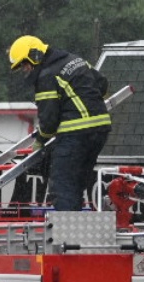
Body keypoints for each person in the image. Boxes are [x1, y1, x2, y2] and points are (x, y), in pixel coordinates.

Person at [9, 36, 114, 212]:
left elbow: (49, 121)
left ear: (35, 55)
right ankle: (75, 232)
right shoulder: (75, 60)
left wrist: (40, 141)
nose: (25, 69)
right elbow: (102, 84)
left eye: (24, 64)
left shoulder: (46, 76)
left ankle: (68, 238)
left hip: (75, 134)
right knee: (76, 184)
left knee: (62, 187)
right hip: (100, 130)